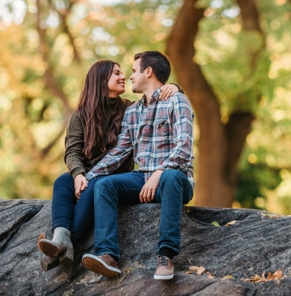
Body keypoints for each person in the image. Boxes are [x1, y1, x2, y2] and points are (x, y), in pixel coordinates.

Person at [37, 59, 179, 270]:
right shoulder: (81, 115)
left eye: (124, 73)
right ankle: (60, 235)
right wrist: (78, 175)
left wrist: (175, 87)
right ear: (101, 80)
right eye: (116, 73)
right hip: (87, 173)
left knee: (97, 185)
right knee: (62, 181)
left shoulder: (131, 109)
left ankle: (68, 244)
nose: (123, 77)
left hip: (113, 175)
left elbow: (156, 101)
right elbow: (72, 152)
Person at [82, 51, 194, 282]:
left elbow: (184, 148)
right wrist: (88, 176)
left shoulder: (177, 100)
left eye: (134, 71)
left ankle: (166, 256)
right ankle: (108, 255)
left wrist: (160, 173)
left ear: (148, 71)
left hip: (175, 180)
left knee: (172, 177)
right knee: (104, 186)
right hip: (141, 179)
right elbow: (119, 152)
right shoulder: (132, 111)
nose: (130, 76)